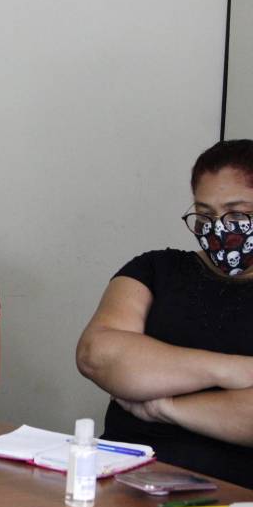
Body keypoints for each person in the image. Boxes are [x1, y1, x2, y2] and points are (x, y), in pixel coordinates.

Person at [77, 140, 253, 489]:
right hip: (124, 478)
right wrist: (239, 370)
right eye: (204, 214)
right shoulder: (154, 269)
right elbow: (98, 356)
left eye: (236, 213)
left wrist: (165, 406)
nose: (218, 227)